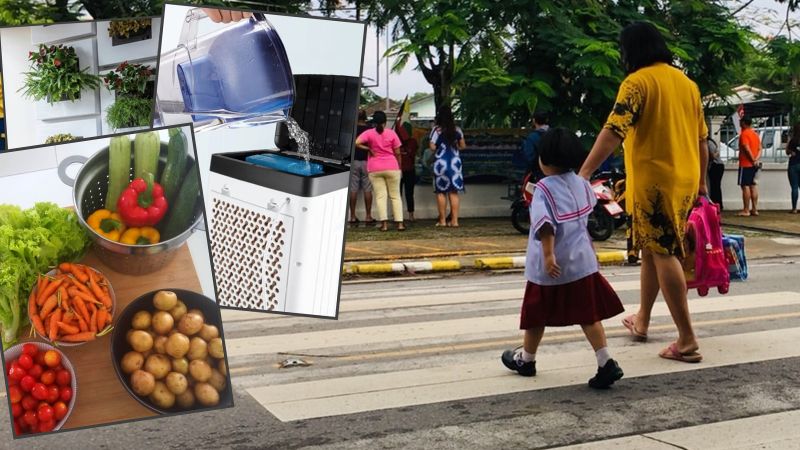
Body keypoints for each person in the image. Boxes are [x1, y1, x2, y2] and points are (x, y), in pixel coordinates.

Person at [579, 21, 706, 363]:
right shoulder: (687, 84)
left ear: (630, 51)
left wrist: (585, 172)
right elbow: (701, 140)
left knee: (663, 252)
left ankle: (687, 339)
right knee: (652, 250)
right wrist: (703, 184)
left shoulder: (636, 82)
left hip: (654, 183)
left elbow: (613, 130)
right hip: (684, 181)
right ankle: (643, 320)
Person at [501, 128, 625, 389]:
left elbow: (545, 225)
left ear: (543, 160)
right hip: (581, 262)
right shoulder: (581, 183)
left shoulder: (544, 189)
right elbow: (589, 208)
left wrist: (548, 255)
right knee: (589, 315)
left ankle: (527, 359)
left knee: (536, 315)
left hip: (551, 265)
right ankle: (605, 361)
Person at [355, 111, 405, 232]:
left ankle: (384, 225)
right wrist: (400, 167)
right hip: (392, 167)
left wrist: (368, 148)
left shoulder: (369, 133)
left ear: (373, 121)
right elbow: (398, 153)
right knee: (395, 196)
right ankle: (400, 224)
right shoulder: (392, 133)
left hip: (375, 168)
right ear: (385, 122)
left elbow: (357, 143)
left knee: (381, 196)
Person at [429, 106, 466, 227]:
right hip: (455, 163)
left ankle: (442, 221)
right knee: (453, 192)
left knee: (441, 192)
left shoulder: (436, 130)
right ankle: (455, 221)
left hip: (441, 163)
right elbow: (463, 146)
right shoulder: (457, 130)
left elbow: (432, 147)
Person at [349, 110, 375, 226]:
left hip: (354, 161)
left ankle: (353, 216)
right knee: (367, 188)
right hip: (366, 161)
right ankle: (368, 216)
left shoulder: (352, 129)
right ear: (365, 118)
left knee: (353, 189)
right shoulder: (370, 129)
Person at [737, 116, 761, 217]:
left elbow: (746, 148)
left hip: (746, 164)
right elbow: (760, 148)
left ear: (743, 123)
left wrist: (752, 159)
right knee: (753, 185)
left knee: (745, 186)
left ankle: (746, 209)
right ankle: (754, 209)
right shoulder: (755, 134)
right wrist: (756, 159)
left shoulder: (744, 134)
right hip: (755, 164)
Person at [521, 112, 550, 181]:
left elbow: (530, 158)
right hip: (556, 174)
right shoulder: (556, 135)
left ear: (534, 121)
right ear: (547, 120)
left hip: (538, 175)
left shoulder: (532, 138)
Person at [399, 123, 418, 222]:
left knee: (408, 193)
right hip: (399, 170)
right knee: (398, 195)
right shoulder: (396, 141)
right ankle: (399, 215)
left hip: (408, 169)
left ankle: (410, 214)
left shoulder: (413, 142)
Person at [707, 135, 725, 209]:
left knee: (715, 186)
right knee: (716, 186)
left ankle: (716, 204)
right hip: (718, 165)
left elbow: (713, 156)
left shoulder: (708, 143)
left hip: (715, 165)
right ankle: (718, 204)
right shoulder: (711, 142)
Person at [787, 122, 800, 214]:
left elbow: (787, 152)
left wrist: (791, 151)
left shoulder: (793, 140)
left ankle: (794, 208)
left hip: (793, 165)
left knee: (794, 187)